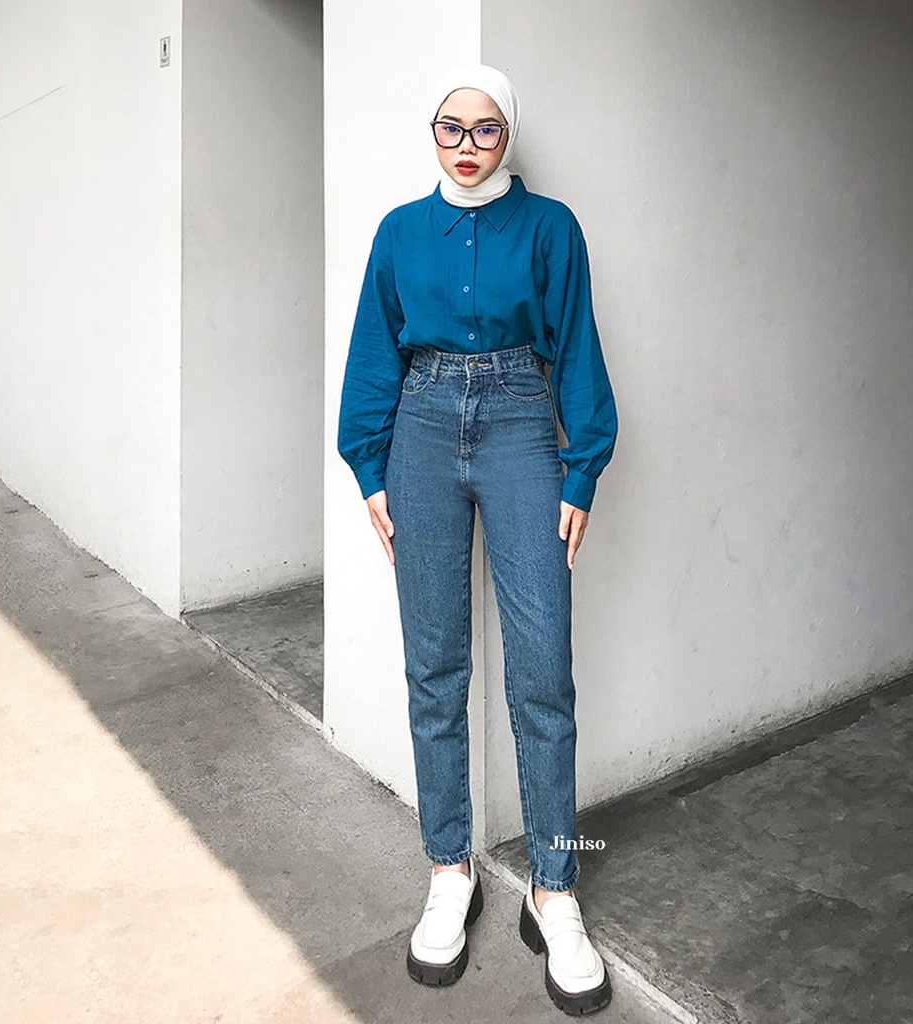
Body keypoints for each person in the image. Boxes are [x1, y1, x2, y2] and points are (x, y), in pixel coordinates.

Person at [337, 64, 618, 1016]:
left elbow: (576, 346)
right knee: (435, 666)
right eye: (451, 127)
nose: (466, 145)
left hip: (521, 423)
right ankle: (449, 870)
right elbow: (374, 349)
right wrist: (368, 464)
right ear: (433, 133)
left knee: (542, 669)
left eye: (486, 129)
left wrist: (581, 469)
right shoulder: (398, 232)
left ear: (508, 136)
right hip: (418, 430)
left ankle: (554, 887)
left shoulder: (550, 228)